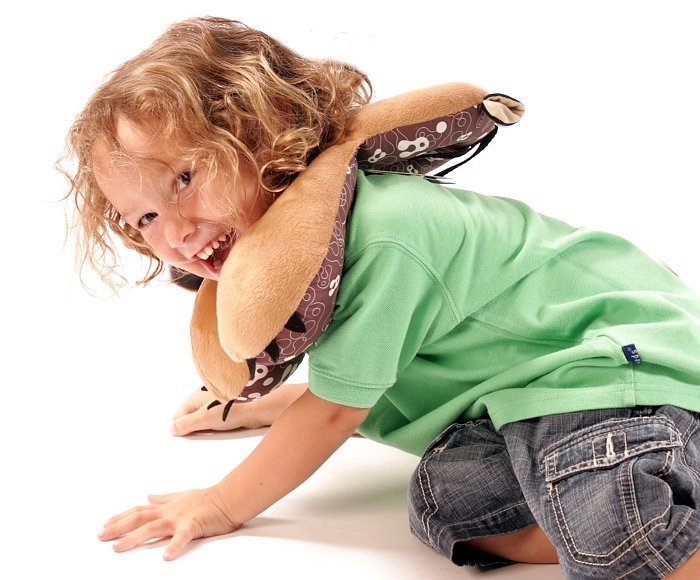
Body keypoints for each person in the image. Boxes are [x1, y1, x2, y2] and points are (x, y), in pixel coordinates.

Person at [60, 16, 700, 578]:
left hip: (605, 368)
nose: (174, 231)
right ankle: (630, 503)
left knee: (616, 538)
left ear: (263, 130)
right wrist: (274, 406)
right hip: (521, 401)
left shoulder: (384, 233)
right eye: (145, 218)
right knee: (444, 505)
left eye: (184, 178)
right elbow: (368, 373)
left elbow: (337, 410)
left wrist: (220, 504)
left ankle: (640, 532)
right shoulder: (304, 258)